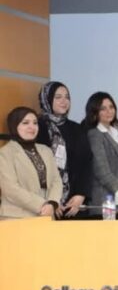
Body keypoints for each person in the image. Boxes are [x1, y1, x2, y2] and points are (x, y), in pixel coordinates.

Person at [36, 81, 93, 218]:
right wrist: (52, 200)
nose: (64, 101)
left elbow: (87, 163)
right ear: (47, 100)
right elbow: (36, 168)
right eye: (58, 97)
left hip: (74, 204)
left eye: (67, 97)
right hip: (45, 204)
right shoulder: (37, 128)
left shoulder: (77, 129)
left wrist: (81, 195)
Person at [0, 107, 62, 218]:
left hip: (47, 215)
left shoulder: (46, 150)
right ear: (14, 126)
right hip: (16, 217)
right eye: (25, 123)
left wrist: (52, 203)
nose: (31, 127)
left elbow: (56, 180)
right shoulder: (4, 153)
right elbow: (10, 189)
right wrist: (42, 205)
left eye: (35, 123)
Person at [82, 92, 118, 216]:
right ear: (94, 112)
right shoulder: (95, 135)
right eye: (103, 108)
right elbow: (102, 171)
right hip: (103, 202)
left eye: (111, 107)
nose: (109, 111)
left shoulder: (114, 133)